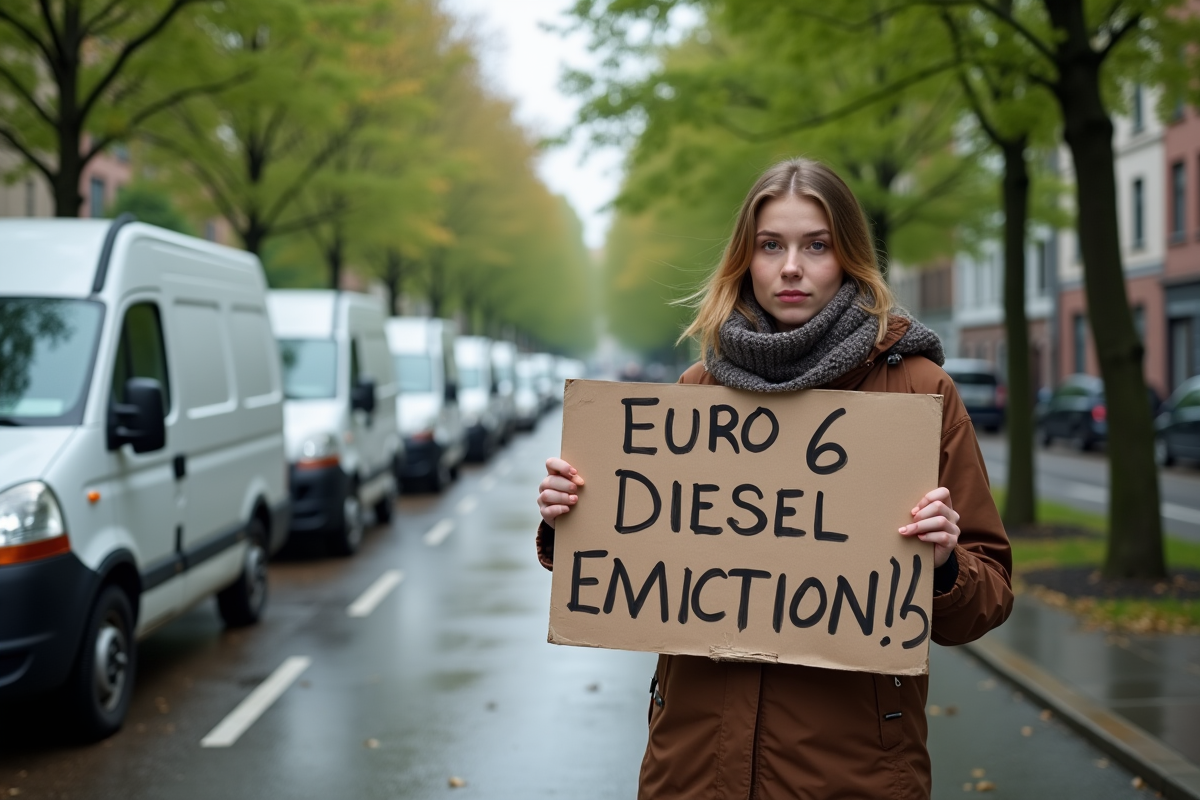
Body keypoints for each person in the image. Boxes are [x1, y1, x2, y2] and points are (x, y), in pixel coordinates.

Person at [535, 158, 1013, 800]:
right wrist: (573, 517)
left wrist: (946, 564)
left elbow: (988, 596)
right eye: (771, 245)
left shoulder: (918, 393)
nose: (792, 266)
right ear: (746, 260)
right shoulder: (695, 396)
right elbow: (652, 554)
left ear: (848, 257)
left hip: (849, 776)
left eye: (816, 244)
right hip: (693, 770)